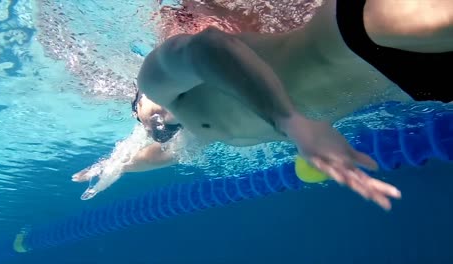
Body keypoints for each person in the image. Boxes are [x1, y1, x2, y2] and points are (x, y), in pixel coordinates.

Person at [74, 0, 453, 210]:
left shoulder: (154, 79)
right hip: (410, 84)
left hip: (354, 35)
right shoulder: (203, 131)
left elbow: (209, 46)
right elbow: (161, 154)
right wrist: (116, 165)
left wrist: (289, 121)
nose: (153, 124)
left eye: (139, 110)